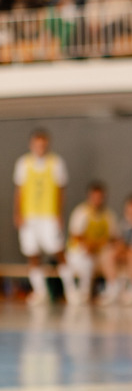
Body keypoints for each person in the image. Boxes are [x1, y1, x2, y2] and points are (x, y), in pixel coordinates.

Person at [12, 129, 78, 305]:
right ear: (31, 145)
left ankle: (71, 290)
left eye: (43, 144)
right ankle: (40, 291)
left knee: (58, 250)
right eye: (37, 144)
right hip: (29, 216)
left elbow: (60, 189)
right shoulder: (23, 163)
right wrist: (17, 213)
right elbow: (19, 190)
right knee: (32, 253)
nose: (40, 147)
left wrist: (58, 214)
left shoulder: (56, 163)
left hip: (48, 216)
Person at [66, 181, 120, 304]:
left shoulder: (109, 215)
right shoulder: (81, 212)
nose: (97, 200)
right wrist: (91, 245)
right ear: (89, 197)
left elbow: (114, 237)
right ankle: (83, 292)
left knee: (109, 255)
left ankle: (113, 289)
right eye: (94, 197)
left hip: (99, 253)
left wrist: (99, 245)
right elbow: (76, 236)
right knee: (86, 262)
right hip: (80, 252)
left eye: (100, 197)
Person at [100, 194, 132, 305]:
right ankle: (113, 286)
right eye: (129, 213)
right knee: (107, 253)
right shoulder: (123, 224)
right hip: (127, 254)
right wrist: (120, 250)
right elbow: (120, 244)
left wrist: (125, 250)